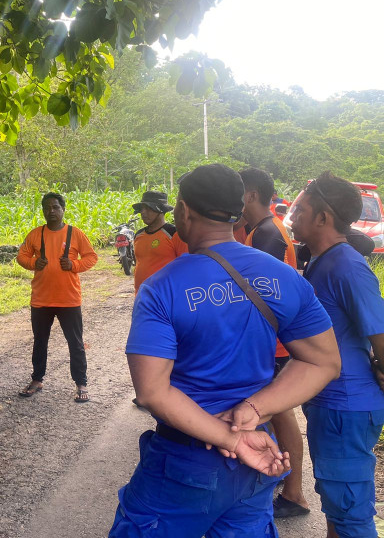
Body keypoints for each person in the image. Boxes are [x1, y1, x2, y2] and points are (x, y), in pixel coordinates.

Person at [110, 164, 341, 538]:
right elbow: (325, 361)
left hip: (186, 462)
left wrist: (231, 438)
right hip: (255, 458)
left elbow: (152, 392)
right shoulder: (283, 277)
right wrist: (253, 410)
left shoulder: (161, 288)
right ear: (237, 210)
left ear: (184, 211)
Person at [290, 172, 384, 538]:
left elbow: (380, 334)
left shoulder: (347, 266)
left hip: (346, 407)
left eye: (300, 210)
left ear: (323, 218)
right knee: (336, 504)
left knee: (350, 513)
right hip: (332, 404)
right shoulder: (321, 261)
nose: (293, 216)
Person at [238, 167, 309, 519]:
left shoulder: (267, 234)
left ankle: (295, 492)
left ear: (250, 194)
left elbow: (261, 295)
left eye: (238, 193)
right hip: (274, 341)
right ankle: (287, 480)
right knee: (279, 415)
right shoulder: (263, 230)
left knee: (281, 415)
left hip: (275, 344)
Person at [16, 192, 98, 403]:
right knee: (40, 341)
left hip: (68, 300)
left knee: (75, 343)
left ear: (63, 209)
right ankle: (37, 379)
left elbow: (91, 257)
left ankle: (81, 383)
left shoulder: (75, 234)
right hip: (41, 299)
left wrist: (74, 265)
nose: (50, 211)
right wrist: (34, 263)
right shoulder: (35, 234)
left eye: (55, 207)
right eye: (46, 208)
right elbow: (22, 256)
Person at [131, 190, 187, 292]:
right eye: (142, 208)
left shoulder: (174, 234)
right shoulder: (139, 235)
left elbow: (185, 266)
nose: (143, 212)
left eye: (148, 208)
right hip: (141, 295)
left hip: (166, 294)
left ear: (160, 210)